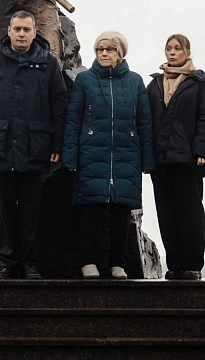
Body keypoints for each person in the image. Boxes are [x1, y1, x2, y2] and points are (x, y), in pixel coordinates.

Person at [0, 10, 68, 279]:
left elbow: (59, 107)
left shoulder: (48, 65)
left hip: (36, 147)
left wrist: (57, 144)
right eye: (17, 29)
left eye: (27, 29)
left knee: (32, 211)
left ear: (35, 33)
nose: (21, 34)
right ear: (9, 31)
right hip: (1, 146)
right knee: (7, 210)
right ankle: (7, 263)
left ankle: (29, 263)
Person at [62, 31, 155, 279]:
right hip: (91, 154)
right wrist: (70, 156)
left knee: (121, 213)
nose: (104, 53)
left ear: (120, 53)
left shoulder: (135, 81)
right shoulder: (85, 80)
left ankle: (118, 263)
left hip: (126, 156)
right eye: (100, 49)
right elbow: (73, 120)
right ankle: (88, 262)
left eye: (110, 49)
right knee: (89, 210)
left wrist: (148, 159)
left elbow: (144, 123)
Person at [146, 34, 205, 280]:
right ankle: (174, 265)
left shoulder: (201, 84)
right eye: (168, 48)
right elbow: (145, 123)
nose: (172, 52)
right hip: (161, 163)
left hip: (188, 162)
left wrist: (202, 151)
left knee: (190, 215)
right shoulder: (155, 84)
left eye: (177, 48)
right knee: (166, 215)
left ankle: (192, 265)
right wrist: (148, 157)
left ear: (188, 53)